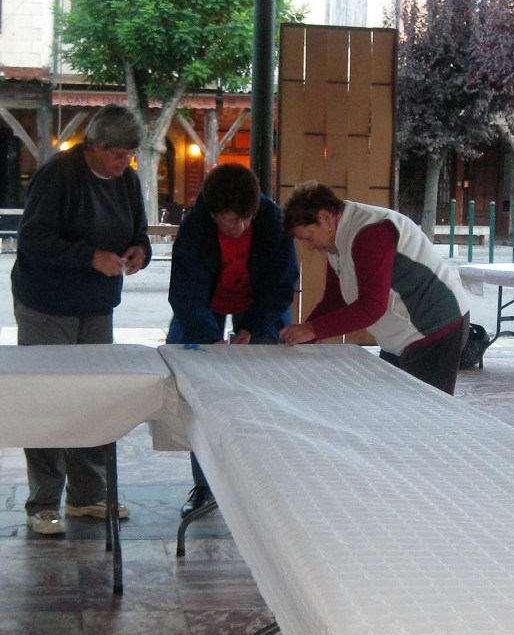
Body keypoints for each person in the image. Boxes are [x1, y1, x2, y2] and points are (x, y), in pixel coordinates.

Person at [12, 104, 151, 536]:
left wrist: (140, 251)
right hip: (46, 305)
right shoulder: (58, 175)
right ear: (93, 145)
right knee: (47, 400)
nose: (124, 163)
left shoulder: (127, 180)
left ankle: (88, 494)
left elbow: (138, 230)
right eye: (117, 155)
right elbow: (32, 239)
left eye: (130, 155)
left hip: (97, 306)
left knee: (94, 398)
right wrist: (89, 256)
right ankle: (43, 502)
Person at [168, 163, 299, 520]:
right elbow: (185, 294)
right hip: (205, 307)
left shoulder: (272, 219)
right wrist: (209, 339)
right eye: (230, 222)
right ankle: (205, 485)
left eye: (246, 219)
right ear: (213, 214)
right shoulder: (195, 225)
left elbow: (283, 284)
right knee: (200, 389)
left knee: (265, 391)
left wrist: (252, 327)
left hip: (260, 307)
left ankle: (264, 481)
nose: (240, 227)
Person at [280, 183, 470, 394]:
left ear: (325, 217)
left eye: (308, 237)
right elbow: (335, 300)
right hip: (402, 335)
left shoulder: (371, 232)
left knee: (425, 409)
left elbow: (372, 306)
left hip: (435, 327)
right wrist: (305, 334)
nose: (310, 246)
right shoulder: (336, 240)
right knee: (390, 404)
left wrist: (312, 329)